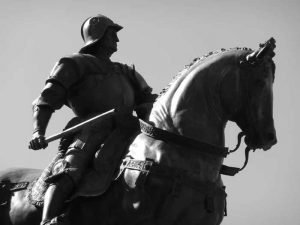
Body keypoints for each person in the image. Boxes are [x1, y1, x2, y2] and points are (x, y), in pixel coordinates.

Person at [28, 14, 157, 225]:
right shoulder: (73, 64)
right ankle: (48, 219)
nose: (117, 40)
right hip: (91, 127)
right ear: (98, 35)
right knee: (72, 167)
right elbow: (46, 100)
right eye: (112, 34)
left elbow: (148, 103)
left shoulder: (127, 72)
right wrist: (38, 132)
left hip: (130, 129)